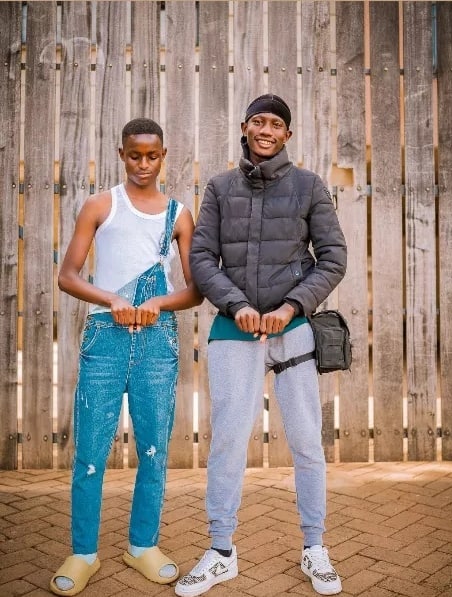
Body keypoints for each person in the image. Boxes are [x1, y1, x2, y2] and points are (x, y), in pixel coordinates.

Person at [175, 94, 346, 597]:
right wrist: (237, 305)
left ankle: (315, 546)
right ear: (245, 128)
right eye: (258, 121)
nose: (266, 130)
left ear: (286, 134)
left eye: (276, 123)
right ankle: (221, 552)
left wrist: (291, 307)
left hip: (292, 329)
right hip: (235, 330)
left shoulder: (309, 186)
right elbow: (202, 259)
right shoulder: (220, 187)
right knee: (228, 440)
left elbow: (333, 258)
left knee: (307, 441)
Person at [50, 117, 202, 596]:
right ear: (121, 154)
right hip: (105, 339)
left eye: (152, 156)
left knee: (154, 449)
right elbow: (68, 275)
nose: (143, 164)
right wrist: (111, 299)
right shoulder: (101, 205)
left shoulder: (178, 215)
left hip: (157, 343)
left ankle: (142, 545)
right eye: (134, 155)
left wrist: (158, 302)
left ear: (163, 156)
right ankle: (83, 553)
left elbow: (196, 289)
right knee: (90, 452)